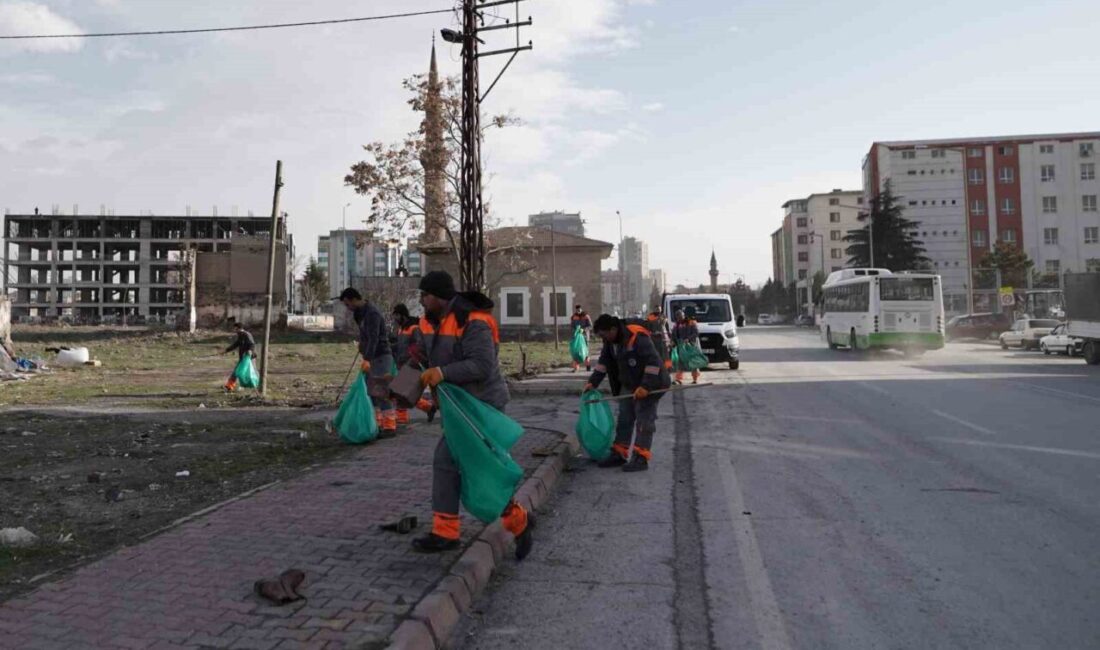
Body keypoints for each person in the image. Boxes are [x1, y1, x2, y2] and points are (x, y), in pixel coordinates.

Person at [412, 270, 534, 559]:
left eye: (425, 295)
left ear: (440, 296)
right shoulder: (432, 321)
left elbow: (481, 365)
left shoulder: (474, 321)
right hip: (460, 409)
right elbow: (425, 355)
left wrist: (442, 372)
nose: (422, 300)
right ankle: (445, 532)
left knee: (479, 468)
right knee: (450, 462)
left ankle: (518, 523)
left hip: (482, 406)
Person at [583, 314, 671, 472]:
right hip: (630, 382)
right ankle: (620, 453)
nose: (604, 338)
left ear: (613, 329)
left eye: (604, 335)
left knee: (644, 420)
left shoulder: (637, 336)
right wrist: (593, 382)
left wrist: (646, 386)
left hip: (652, 383)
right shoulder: (610, 342)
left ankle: (641, 457)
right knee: (624, 417)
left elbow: (653, 363)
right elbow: (604, 363)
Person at [339, 288, 398, 439]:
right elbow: (366, 336)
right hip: (372, 356)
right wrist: (362, 347)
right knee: (371, 393)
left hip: (381, 356)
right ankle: (376, 425)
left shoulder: (372, 314)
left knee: (381, 391)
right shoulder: (360, 313)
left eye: (347, 304)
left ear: (354, 299)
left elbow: (374, 338)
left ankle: (389, 426)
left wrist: (367, 358)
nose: (348, 308)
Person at [391, 303, 430, 425]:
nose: (395, 319)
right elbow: (399, 345)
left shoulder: (414, 328)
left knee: (401, 392)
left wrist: (411, 361)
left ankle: (402, 417)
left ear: (402, 315)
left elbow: (418, 346)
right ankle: (428, 408)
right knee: (403, 392)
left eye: (397, 315)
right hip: (401, 364)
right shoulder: (401, 329)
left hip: (410, 365)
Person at [671, 308, 702, 385]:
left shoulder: (692, 322)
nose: (679, 319)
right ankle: (678, 379)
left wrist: (688, 339)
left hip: (691, 346)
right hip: (681, 347)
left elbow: (696, 333)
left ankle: (695, 379)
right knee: (680, 363)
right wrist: (673, 342)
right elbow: (673, 335)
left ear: (684, 315)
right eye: (678, 317)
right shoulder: (676, 325)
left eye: (681, 317)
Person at [223, 322, 256, 391]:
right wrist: (227, 350)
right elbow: (236, 344)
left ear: (238, 328)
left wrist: (250, 350)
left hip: (249, 358)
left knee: (249, 372)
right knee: (237, 371)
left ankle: (253, 385)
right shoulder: (240, 335)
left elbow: (252, 344)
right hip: (243, 358)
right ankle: (230, 386)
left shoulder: (246, 334)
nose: (234, 330)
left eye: (235, 328)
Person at [645, 305, 673, 374]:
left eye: (659, 309)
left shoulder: (664, 316)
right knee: (655, 356)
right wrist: (654, 333)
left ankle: (668, 370)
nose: (658, 310)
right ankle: (654, 372)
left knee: (666, 356)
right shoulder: (650, 317)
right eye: (657, 309)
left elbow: (667, 328)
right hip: (655, 340)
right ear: (654, 309)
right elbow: (647, 329)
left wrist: (670, 339)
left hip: (664, 340)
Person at [569, 304, 592, 372]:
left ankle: (588, 365)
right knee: (576, 352)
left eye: (579, 310)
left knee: (585, 351)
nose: (578, 311)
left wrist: (584, 329)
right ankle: (576, 367)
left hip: (584, 337)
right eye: (577, 310)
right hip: (576, 337)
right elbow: (572, 326)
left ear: (581, 309)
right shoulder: (574, 317)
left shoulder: (586, 316)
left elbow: (590, 326)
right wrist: (575, 331)